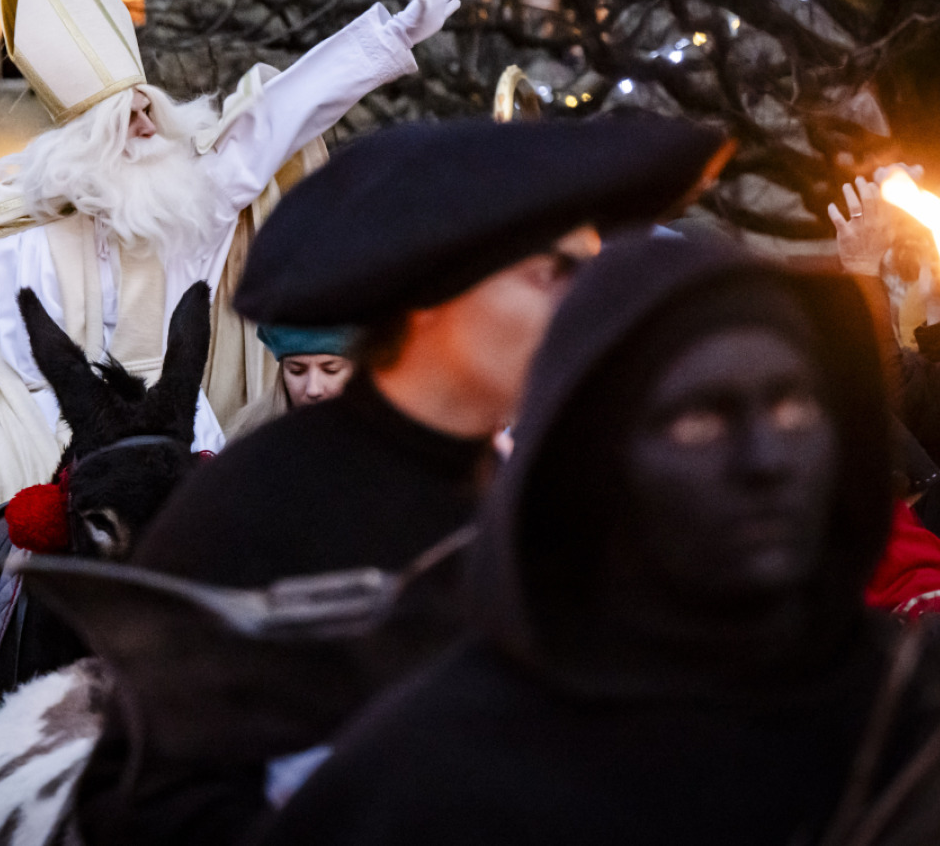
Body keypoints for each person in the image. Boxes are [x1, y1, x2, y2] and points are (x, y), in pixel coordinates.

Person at [0, 0, 467, 725]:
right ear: (88, 139)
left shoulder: (196, 198)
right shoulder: (10, 231)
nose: (149, 122)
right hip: (32, 421)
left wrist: (392, 36)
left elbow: (282, 115)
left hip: (172, 422)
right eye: (130, 115)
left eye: (149, 106)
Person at [74, 117, 727, 845]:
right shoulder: (258, 502)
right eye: (553, 273)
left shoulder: (535, 502)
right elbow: (137, 808)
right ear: (431, 298)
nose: (585, 305)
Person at [261, 235, 940, 846]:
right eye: (702, 420)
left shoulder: (902, 708)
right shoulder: (447, 759)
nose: (767, 458)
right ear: (590, 460)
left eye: (794, 406)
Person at [229, 325, 357, 437]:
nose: (313, 389)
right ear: (282, 374)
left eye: (330, 370)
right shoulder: (251, 437)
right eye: (297, 371)